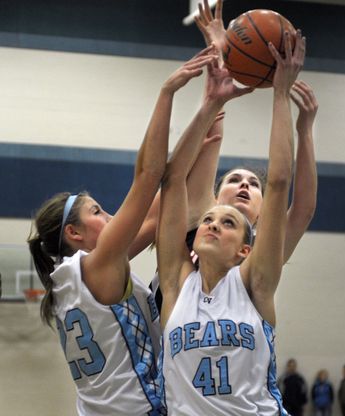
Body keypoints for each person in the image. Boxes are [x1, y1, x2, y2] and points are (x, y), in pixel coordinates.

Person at [27, 47, 218, 416]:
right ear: (74, 234)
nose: (111, 215)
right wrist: (167, 93)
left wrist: (207, 111)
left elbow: (167, 193)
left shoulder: (79, 279)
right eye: (97, 211)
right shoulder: (97, 268)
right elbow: (149, 177)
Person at [157, 28, 305, 415]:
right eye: (208, 218)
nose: (212, 224)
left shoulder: (256, 284)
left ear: (245, 248)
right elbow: (173, 179)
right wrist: (208, 104)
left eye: (227, 223)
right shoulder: (175, 282)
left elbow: (279, 183)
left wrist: (280, 94)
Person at [150, 0, 318, 310]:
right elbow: (211, 136)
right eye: (235, 179)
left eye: (254, 185)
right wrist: (220, 57)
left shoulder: (262, 252)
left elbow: (301, 206)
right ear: (214, 196)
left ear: (263, 212)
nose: (244, 185)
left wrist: (305, 130)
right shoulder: (198, 221)